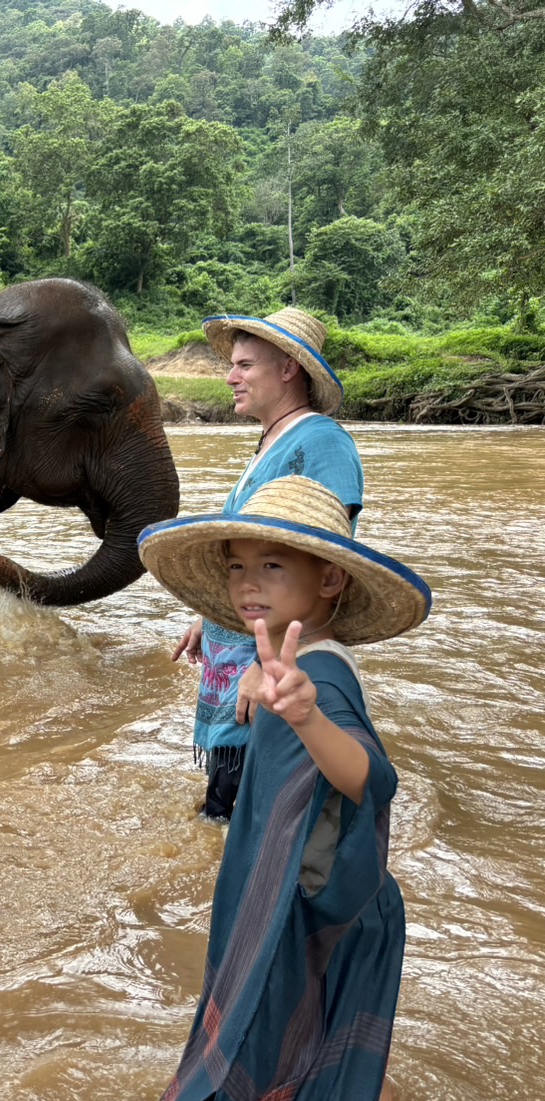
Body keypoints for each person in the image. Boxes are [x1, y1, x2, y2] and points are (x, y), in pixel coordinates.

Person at [139, 475, 431, 1101]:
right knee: (319, 1054)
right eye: (238, 566)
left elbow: (372, 780)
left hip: (310, 907)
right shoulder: (302, 655)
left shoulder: (318, 680)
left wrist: (306, 717)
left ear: (330, 579)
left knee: (266, 1050)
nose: (248, 583)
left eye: (272, 565)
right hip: (313, 893)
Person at [172, 308, 364, 820]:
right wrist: (210, 613)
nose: (230, 378)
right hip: (238, 659)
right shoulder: (271, 442)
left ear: (288, 370)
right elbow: (257, 552)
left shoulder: (321, 442)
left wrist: (264, 664)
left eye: (245, 365)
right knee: (222, 819)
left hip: (268, 671)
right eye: (232, 366)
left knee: (244, 821)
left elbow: (322, 559)